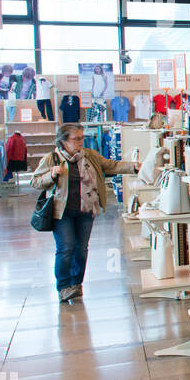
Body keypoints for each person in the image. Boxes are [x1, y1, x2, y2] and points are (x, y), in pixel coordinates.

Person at [30, 123, 137, 302]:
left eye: (82, 138)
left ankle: (76, 284)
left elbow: (110, 166)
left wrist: (134, 167)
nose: (80, 142)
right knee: (66, 248)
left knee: (81, 249)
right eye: (76, 138)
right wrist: (52, 175)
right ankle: (64, 287)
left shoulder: (89, 155)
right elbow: (35, 181)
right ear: (63, 141)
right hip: (61, 212)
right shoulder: (52, 159)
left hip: (86, 210)